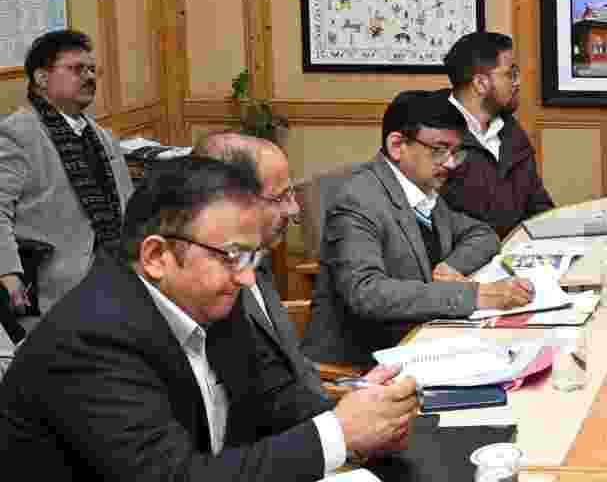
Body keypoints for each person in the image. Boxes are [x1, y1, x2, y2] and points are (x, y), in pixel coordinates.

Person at [0, 156, 418, 480]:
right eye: (233, 256)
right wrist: (338, 434)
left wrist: (362, 412)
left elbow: (272, 399)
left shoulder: (207, 296)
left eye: (252, 257)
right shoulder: (92, 339)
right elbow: (175, 477)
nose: (247, 277)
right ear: (156, 256)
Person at [302, 91, 534, 367]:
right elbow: (367, 293)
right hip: (362, 367)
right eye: (439, 150)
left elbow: (482, 234)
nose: (450, 163)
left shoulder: (422, 191)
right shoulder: (357, 200)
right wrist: (475, 295)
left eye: (455, 152)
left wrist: (449, 267)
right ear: (397, 145)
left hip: (423, 344)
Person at [193, 131, 328, 426]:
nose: (294, 210)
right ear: (229, 200)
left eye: (292, 194)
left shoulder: (258, 256)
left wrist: (340, 417)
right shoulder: (207, 293)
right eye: (281, 197)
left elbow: (295, 367)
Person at [0, 29, 133, 326]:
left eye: (92, 70)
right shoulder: (16, 135)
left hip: (115, 271)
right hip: (55, 286)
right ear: (41, 78)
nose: (89, 77)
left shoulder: (101, 136)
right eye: (76, 69)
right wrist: (9, 276)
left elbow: (129, 204)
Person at [440, 32, 555, 241]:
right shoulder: (432, 138)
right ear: (481, 83)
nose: (518, 82)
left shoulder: (511, 131)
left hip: (520, 253)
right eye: (511, 74)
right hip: (465, 258)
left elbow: (539, 206)